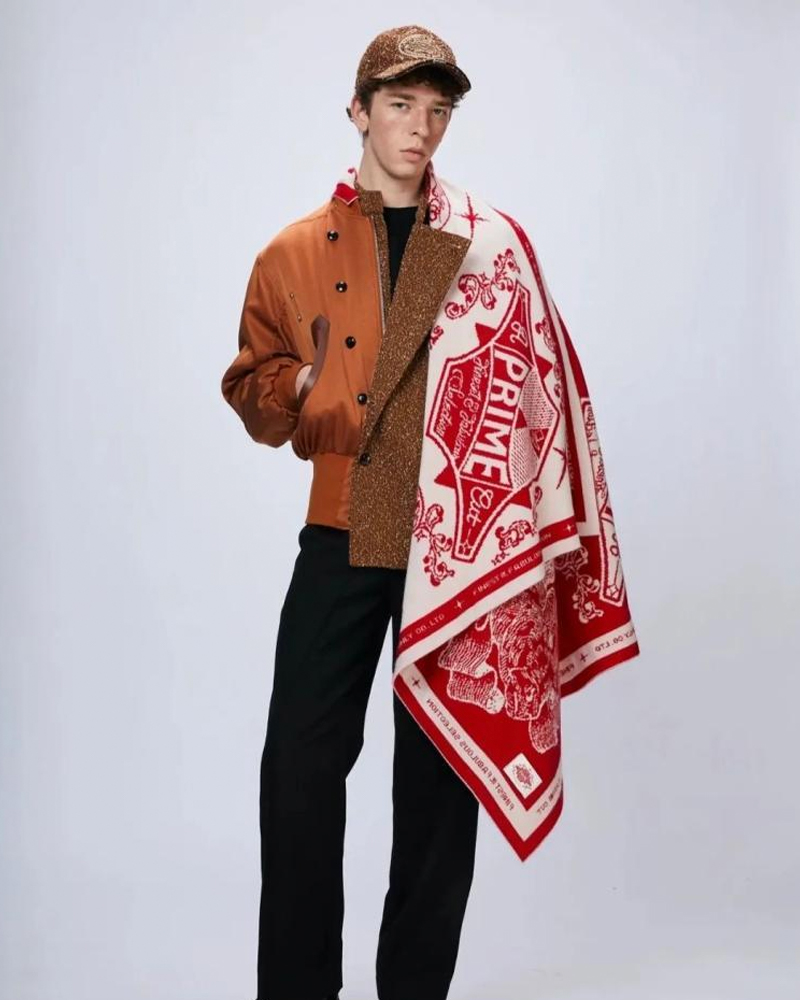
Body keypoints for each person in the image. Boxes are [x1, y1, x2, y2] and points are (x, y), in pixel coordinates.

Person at [221, 25, 480, 1000]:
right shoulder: (294, 251)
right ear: (360, 111)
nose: (421, 128)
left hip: (453, 541)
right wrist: (309, 390)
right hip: (342, 521)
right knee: (299, 769)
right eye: (402, 105)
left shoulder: (478, 248)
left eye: (437, 110)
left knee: (440, 784)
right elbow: (252, 383)